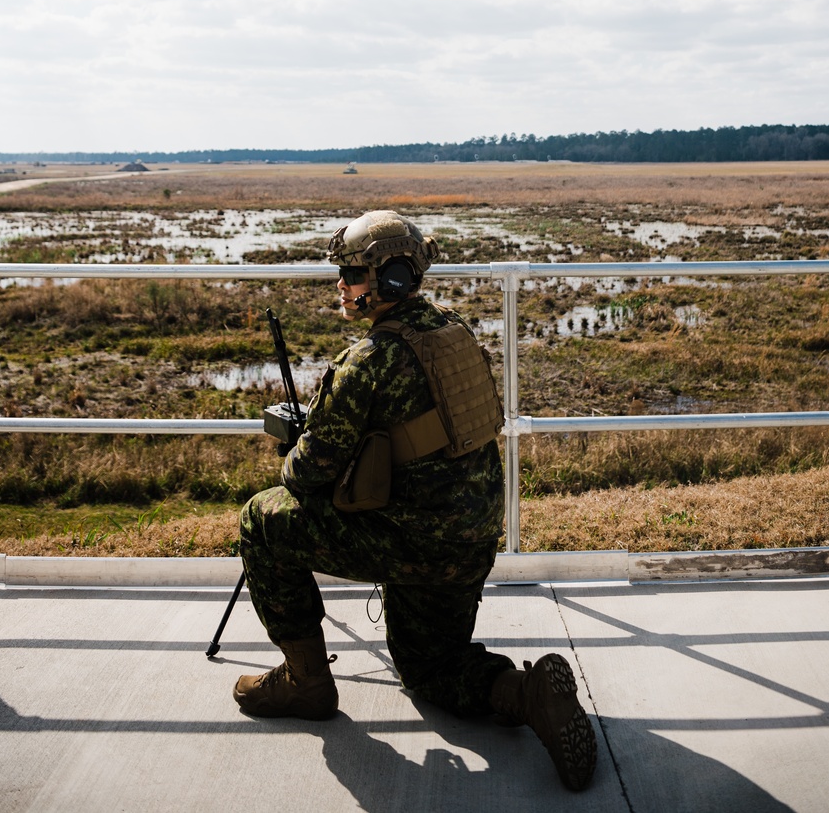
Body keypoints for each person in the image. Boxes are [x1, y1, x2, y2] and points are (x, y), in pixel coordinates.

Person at [235, 209, 597, 792]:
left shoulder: (367, 363)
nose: (342, 285)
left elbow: (305, 476)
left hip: (411, 543)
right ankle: (525, 695)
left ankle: (305, 684)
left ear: (389, 279)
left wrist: (299, 440)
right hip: (470, 540)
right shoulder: (452, 332)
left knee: (261, 518)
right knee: (432, 670)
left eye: (351, 273)